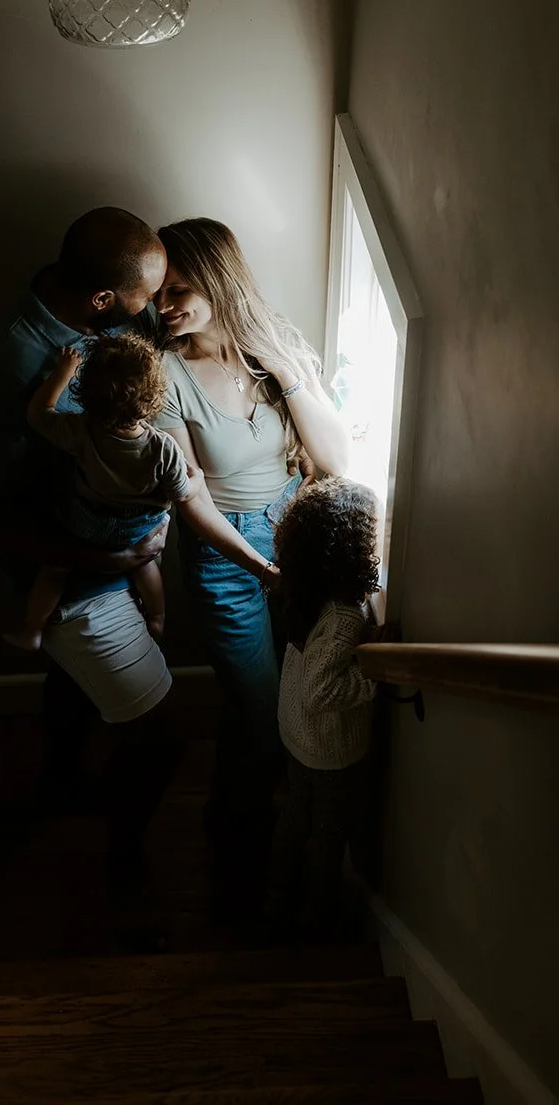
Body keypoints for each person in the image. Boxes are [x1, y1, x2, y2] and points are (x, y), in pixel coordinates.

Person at [0, 207, 179, 891]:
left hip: (111, 557)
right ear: (103, 300)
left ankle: (61, 778)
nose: (155, 316)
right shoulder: (14, 362)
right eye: (147, 301)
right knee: (158, 734)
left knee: (74, 689)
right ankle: (122, 863)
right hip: (71, 576)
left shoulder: (109, 321)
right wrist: (97, 561)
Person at [153, 217, 351, 870]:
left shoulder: (270, 349)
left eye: (177, 288)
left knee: (283, 697)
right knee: (259, 704)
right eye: (157, 290)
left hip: (292, 530)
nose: (163, 305)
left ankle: (242, 817)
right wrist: (261, 568)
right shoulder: (165, 373)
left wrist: (287, 373)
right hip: (225, 555)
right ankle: (240, 829)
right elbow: (191, 500)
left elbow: (332, 456)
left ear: (216, 279)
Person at [12, 335, 280, 649]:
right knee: (146, 566)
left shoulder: (81, 430)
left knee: (54, 568)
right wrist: (196, 476)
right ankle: (157, 617)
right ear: (153, 396)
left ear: (88, 393)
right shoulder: (162, 448)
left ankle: (32, 630)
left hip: (87, 520)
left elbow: (39, 413)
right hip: (138, 527)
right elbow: (182, 493)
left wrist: (63, 372)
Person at [264, 478, 382, 940]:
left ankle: (275, 905)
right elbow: (321, 692)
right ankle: (317, 919)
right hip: (329, 750)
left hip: (296, 734)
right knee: (329, 833)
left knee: (294, 815)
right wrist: (373, 672)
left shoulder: (303, 592)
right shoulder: (344, 615)